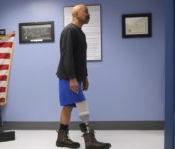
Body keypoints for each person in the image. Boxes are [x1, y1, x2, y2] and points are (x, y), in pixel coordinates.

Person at [56, 4, 111, 149]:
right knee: (81, 105)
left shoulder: (80, 32)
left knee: (68, 106)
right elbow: (67, 56)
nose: (88, 13)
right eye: (85, 11)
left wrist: (84, 77)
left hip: (76, 77)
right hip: (68, 77)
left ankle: (62, 138)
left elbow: (81, 58)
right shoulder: (69, 31)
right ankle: (88, 140)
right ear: (75, 14)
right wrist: (73, 78)